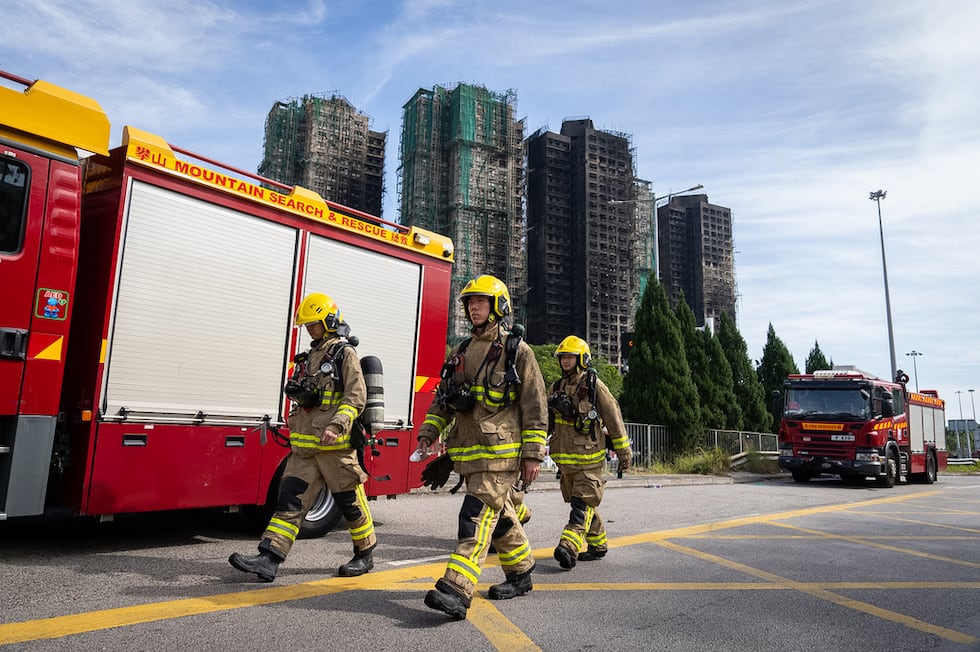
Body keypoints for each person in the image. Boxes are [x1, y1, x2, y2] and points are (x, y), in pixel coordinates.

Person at [415, 275, 548, 620]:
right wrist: (429, 433)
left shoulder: (517, 351)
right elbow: (443, 400)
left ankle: (456, 590)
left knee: (474, 517)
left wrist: (533, 455)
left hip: (500, 455)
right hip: (469, 453)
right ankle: (521, 573)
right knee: (500, 516)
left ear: (498, 306)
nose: (473, 307)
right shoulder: (460, 351)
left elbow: (535, 406)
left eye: (480, 302)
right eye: (469, 302)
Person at [229, 292, 376, 582]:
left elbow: (356, 396)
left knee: (351, 504)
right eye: (306, 325)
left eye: (314, 324)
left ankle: (365, 553)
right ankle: (268, 558)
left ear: (329, 321)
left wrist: (337, 425)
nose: (309, 329)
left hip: (336, 449)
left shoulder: (344, 354)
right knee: (289, 501)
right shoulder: (310, 356)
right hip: (305, 449)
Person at [547, 335, 632, 569]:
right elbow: (545, 421)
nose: (565, 361)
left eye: (570, 357)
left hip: (589, 460)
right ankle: (598, 544)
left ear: (582, 359)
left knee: (581, 505)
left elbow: (613, 418)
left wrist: (623, 452)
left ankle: (569, 545)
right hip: (565, 461)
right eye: (562, 357)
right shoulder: (555, 387)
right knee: (585, 505)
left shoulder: (594, 387)